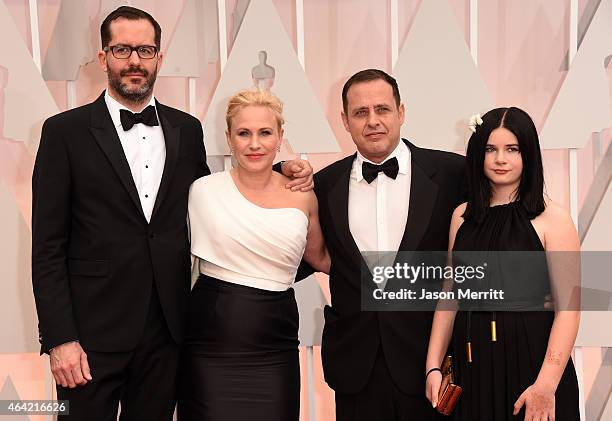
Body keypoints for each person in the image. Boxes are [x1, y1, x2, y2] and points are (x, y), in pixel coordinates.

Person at [31, 7, 312, 420]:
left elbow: (219, 199)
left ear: (159, 58)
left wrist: (279, 170)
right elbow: (47, 247)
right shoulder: (63, 132)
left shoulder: (187, 129)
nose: (134, 61)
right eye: (122, 49)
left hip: (169, 334)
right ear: (103, 56)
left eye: (145, 50)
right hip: (89, 339)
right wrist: (60, 339)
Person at [296, 69, 465, 420]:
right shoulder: (324, 186)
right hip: (356, 365)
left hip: (431, 366)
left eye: (382, 109)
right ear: (344, 120)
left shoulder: (453, 174)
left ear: (401, 112)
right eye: (360, 113)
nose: (372, 121)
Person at [177, 89, 329, 421]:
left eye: (265, 132)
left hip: (276, 348)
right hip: (209, 347)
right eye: (244, 133)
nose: (254, 143)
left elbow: (321, 259)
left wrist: (394, 275)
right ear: (229, 138)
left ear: (280, 137)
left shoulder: (302, 195)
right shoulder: (202, 190)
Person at [425, 107, 580, 420]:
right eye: (491, 149)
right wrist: (433, 366)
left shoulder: (553, 219)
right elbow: (450, 296)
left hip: (533, 367)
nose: (500, 159)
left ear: (529, 154)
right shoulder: (461, 217)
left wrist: (546, 385)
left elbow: (570, 309)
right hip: (471, 366)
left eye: (512, 149)